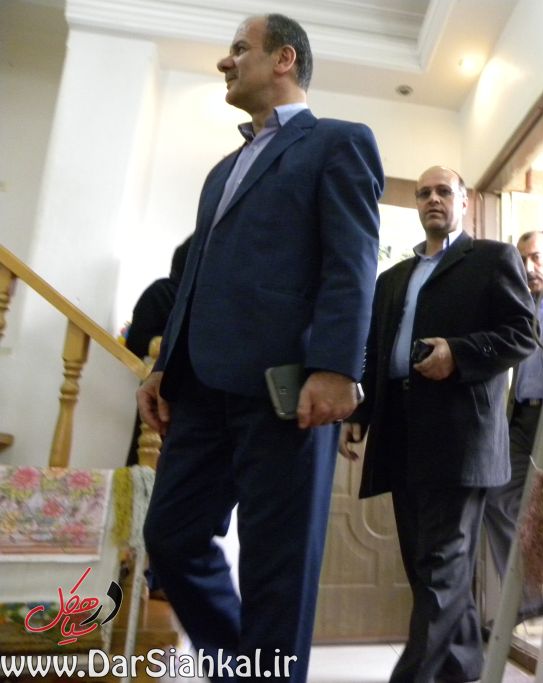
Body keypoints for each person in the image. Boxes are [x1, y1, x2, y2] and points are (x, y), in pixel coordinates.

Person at [137, 13, 383, 681]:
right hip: (199, 388)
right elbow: (194, 278)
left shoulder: (339, 141)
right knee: (170, 538)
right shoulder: (222, 171)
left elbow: (352, 262)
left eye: (239, 49)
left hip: (287, 390)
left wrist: (336, 367)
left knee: (278, 569)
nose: (226, 61)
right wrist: (163, 368)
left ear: (283, 59)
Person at [339, 166, 536, 683]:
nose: (432, 199)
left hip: (461, 440)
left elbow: (523, 333)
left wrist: (459, 353)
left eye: (443, 191)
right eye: (424, 193)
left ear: (464, 202)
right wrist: (360, 415)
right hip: (400, 436)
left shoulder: (493, 259)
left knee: (441, 572)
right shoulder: (392, 280)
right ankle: (462, 673)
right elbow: (376, 353)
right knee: (428, 571)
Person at [481, 230, 543, 633]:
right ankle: (530, 600)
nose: (528, 267)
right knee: (497, 496)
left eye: (536, 257)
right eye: (522, 260)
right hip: (520, 418)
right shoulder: (517, 305)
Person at [124, 236, 191, 466]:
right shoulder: (162, 292)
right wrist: (164, 346)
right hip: (162, 383)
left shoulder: (204, 303)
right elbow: (136, 340)